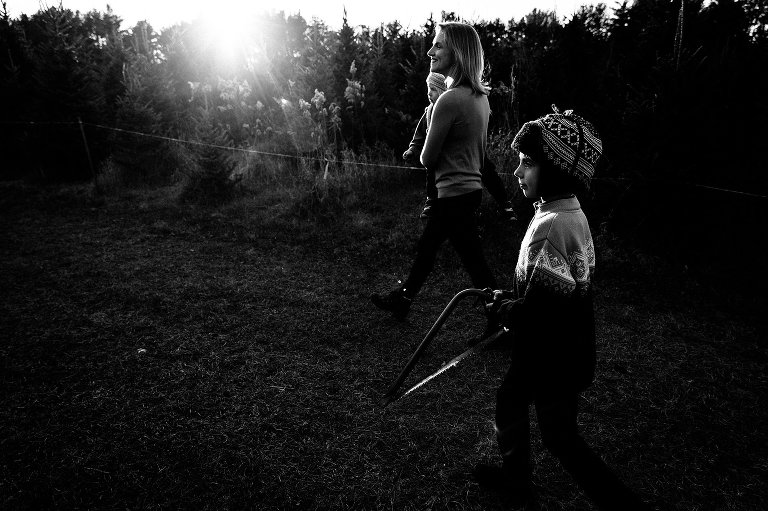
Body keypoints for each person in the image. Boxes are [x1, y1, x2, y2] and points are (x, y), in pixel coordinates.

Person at [475, 106, 650, 510]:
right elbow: (551, 291)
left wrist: (505, 310)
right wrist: (512, 299)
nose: (517, 173)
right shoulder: (570, 215)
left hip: (550, 354)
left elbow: (541, 314)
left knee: (560, 439)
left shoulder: (552, 224)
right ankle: (516, 477)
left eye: (528, 163)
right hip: (566, 349)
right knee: (518, 403)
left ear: (556, 169)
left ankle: (621, 502)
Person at [371, 22, 497, 320]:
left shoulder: (448, 99)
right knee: (430, 249)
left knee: (473, 260)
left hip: (452, 193)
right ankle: (404, 298)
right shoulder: (480, 98)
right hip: (467, 192)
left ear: (458, 51)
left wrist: (427, 135)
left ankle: (503, 318)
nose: (430, 51)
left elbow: (427, 159)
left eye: (438, 45)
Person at [403, 72, 516, 221]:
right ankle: (431, 200)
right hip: (441, 154)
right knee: (432, 168)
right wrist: (412, 150)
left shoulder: (454, 105)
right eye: (428, 89)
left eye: (433, 89)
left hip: (468, 151)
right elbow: (419, 137)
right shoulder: (429, 112)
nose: (429, 93)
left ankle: (504, 203)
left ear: (444, 92)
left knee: (487, 169)